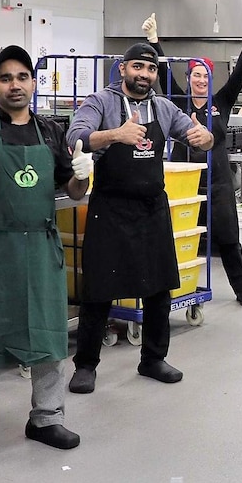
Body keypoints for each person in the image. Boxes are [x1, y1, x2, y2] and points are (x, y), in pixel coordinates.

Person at [0, 46, 91, 472]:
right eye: (5, 78)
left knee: (49, 334)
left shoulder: (51, 132)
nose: (15, 85)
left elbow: (69, 192)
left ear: (34, 82)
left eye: (23, 76)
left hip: (40, 247)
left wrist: (82, 176)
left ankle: (47, 419)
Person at [66, 43, 214, 394]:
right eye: (137, 67)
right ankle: (85, 365)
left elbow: (199, 138)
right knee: (98, 290)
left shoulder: (163, 107)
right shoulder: (100, 102)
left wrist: (205, 138)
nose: (143, 75)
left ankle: (152, 359)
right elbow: (75, 137)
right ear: (122, 69)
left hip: (151, 208)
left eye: (149, 70)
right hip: (110, 207)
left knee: (159, 288)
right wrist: (115, 134)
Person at [142, 13, 242, 307]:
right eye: (196, 74)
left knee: (230, 238)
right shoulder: (177, 101)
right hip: (185, 183)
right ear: (189, 78)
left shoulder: (222, 102)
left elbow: (239, 76)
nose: (201, 80)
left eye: (206, 75)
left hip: (218, 182)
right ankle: (176, 284)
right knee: (180, 235)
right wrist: (154, 40)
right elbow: (164, 72)